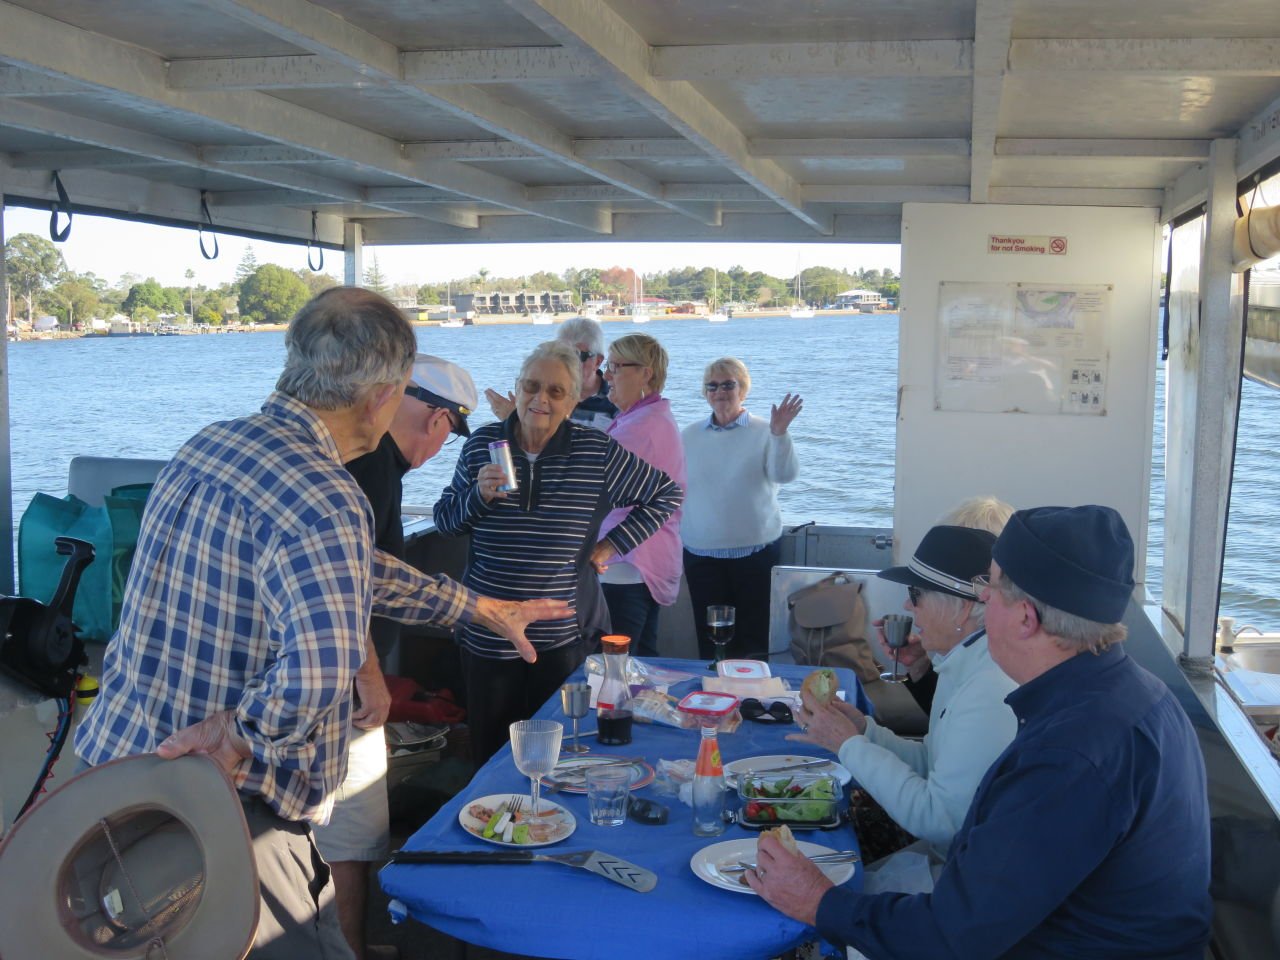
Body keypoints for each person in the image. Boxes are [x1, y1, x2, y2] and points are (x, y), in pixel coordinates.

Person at [73, 287, 568, 960]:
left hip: (113, 771)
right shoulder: (324, 492)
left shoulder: (209, 445)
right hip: (219, 804)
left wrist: (475, 607)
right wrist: (237, 733)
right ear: (382, 396)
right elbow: (321, 670)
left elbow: (354, 567)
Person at [749, 505, 1212, 959]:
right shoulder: (1137, 695)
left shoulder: (1069, 755)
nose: (980, 603)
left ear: (1026, 619)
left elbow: (952, 937)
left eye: (989, 592)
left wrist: (819, 902)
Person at [434, 340, 682, 765]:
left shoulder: (596, 452)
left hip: (562, 640)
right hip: (488, 634)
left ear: (573, 401)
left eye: (555, 391)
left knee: (565, 756)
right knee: (493, 757)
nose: (540, 399)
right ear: (517, 388)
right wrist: (478, 496)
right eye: (531, 386)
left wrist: (612, 544)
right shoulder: (482, 445)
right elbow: (445, 520)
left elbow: (665, 494)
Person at [315, 353, 478, 960]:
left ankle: (341, 944)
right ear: (437, 420)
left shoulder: (353, 458)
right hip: (341, 691)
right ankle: (349, 950)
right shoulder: (376, 471)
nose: (441, 446)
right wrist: (373, 681)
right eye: (447, 432)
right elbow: (347, 588)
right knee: (352, 840)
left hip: (322, 678)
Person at [791, 525, 1017, 889]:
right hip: (954, 853)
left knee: (813, 872)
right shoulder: (964, 664)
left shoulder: (989, 689)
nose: (908, 606)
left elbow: (937, 817)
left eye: (916, 594)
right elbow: (932, 761)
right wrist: (866, 731)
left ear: (961, 609)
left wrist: (848, 745)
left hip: (969, 882)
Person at [680, 356, 802, 660]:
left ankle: (749, 701)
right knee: (711, 646)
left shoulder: (766, 430)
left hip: (755, 554)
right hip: (701, 555)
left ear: (743, 389)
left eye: (728, 384)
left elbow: (783, 475)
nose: (719, 391)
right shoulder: (688, 436)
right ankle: (712, 701)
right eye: (712, 385)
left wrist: (780, 434)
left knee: (753, 641)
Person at [598, 333, 686, 657]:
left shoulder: (643, 426)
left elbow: (592, 478)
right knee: (641, 661)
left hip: (628, 563)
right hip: (640, 562)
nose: (606, 375)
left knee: (615, 667)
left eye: (616, 366)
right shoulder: (646, 417)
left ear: (645, 373)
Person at [890, 496, 1016, 716]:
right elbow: (945, 725)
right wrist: (920, 666)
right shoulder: (969, 653)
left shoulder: (994, 681)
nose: (908, 604)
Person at [483, 315, 616, 430]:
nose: (567, 363)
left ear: (598, 361)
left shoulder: (616, 400)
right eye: (561, 354)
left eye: (578, 355)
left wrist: (516, 420)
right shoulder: (539, 396)